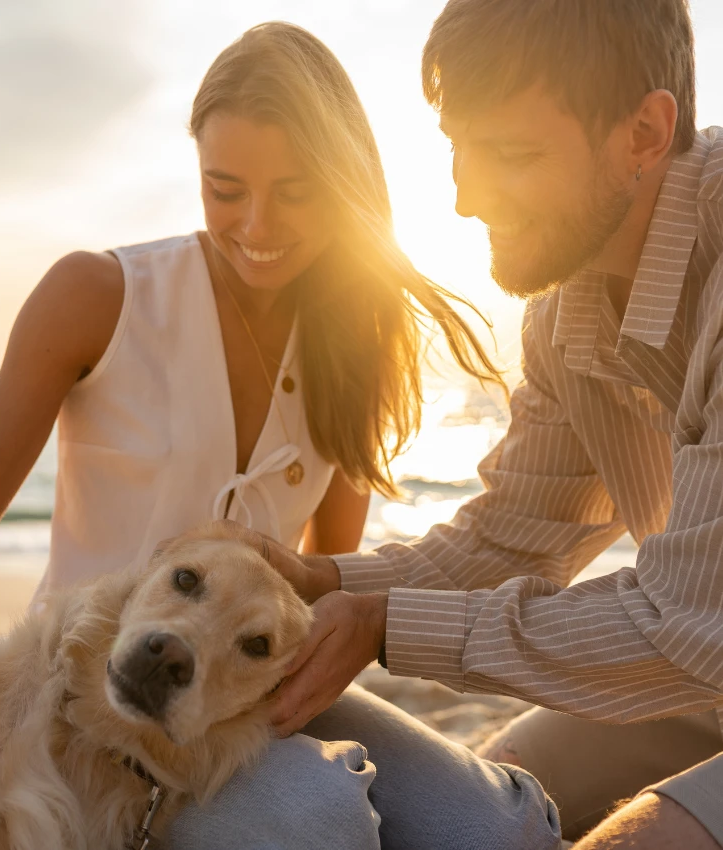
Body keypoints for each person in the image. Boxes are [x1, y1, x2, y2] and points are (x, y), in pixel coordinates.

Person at [0, 21, 556, 850]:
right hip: (86, 694)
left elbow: (325, 586)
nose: (257, 223)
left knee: (503, 826)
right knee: (321, 819)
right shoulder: (96, 293)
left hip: (245, 701)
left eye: (296, 190)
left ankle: (521, 760)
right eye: (224, 186)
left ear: (343, 184)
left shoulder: (358, 346)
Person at [230, 1, 723, 848]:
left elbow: (689, 619)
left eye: (513, 154)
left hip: (702, 653)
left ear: (645, 132)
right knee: (463, 814)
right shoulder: (566, 308)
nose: (464, 198)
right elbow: (512, 537)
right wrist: (331, 584)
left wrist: (388, 627)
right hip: (705, 691)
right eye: (460, 147)